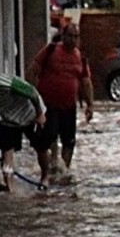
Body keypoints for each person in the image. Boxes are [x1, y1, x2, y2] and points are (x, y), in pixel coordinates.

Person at [24, 24, 94, 186]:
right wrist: (31, 95)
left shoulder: (81, 59)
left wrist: (90, 105)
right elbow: (32, 70)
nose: (73, 40)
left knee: (69, 141)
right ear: (63, 36)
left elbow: (86, 82)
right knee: (48, 137)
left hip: (69, 107)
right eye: (70, 36)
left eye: (76, 36)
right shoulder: (50, 51)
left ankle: (64, 173)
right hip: (48, 105)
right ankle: (48, 171)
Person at [0, 73, 45, 192]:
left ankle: (45, 177)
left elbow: (31, 92)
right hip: (9, 119)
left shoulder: (4, 84)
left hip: (30, 114)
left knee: (40, 147)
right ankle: (10, 188)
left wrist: (40, 114)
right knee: (7, 152)